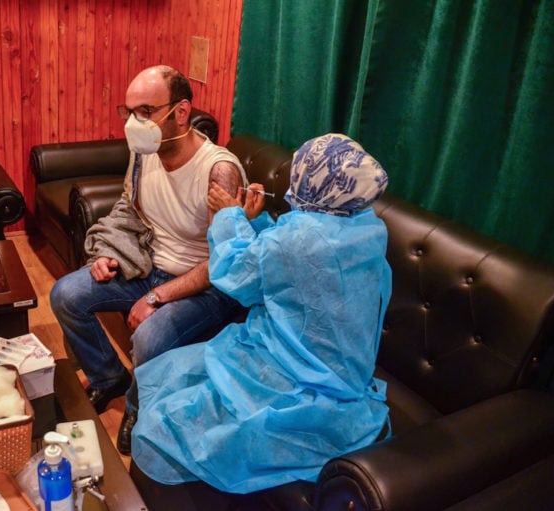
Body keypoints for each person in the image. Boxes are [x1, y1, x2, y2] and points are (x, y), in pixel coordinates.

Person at [131, 133, 392, 493]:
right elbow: (290, 265)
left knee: (166, 417)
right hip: (344, 367)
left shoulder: (300, 236)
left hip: (295, 372)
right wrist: (252, 222)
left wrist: (228, 216)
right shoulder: (366, 226)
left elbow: (238, 276)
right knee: (178, 377)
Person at [50, 65, 247, 455]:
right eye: (128, 112)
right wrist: (109, 252)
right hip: (148, 266)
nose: (133, 123)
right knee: (65, 294)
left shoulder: (218, 171)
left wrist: (158, 298)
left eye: (145, 111)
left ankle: (139, 411)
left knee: (150, 335)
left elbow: (225, 261)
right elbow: (129, 208)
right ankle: (107, 377)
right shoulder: (145, 154)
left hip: (205, 287)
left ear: (181, 111)